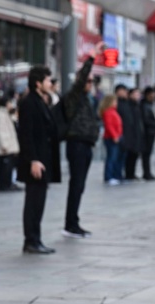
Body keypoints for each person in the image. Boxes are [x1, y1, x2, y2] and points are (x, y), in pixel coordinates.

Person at [61, 42, 103, 239]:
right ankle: (70, 224)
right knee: (76, 184)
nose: (90, 84)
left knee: (80, 185)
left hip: (86, 145)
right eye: (88, 81)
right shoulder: (74, 96)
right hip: (76, 144)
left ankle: (74, 221)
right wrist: (92, 57)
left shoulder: (86, 99)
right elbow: (81, 81)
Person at [17, 65, 60, 255]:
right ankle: (31, 240)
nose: (51, 83)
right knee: (33, 201)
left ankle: (36, 239)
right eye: (48, 80)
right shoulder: (29, 103)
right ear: (38, 83)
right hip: (35, 162)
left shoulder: (41, 101)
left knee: (39, 201)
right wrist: (33, 159)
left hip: (43, 159)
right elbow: (26, 135)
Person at [0, 97, 20, 192]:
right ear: (6, 103)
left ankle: (7, 183)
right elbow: (0, 131)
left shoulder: (6, 114)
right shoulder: (1, 115)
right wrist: (4, 145)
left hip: (9, 145)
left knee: (8, 167)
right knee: (5, 167)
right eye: (10, 103)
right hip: (6, 146)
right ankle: (4, 185)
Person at [100, 94, 123, 186]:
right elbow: (109, 126)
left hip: (116, 136)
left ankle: (113, 175)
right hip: (111, 138)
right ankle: (108, 176)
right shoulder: (108, 112)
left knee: (114, 157)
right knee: (111, 157)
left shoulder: (113, 111)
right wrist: (114, 136)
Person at [123, 88, 144, 182]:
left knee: (135, 155)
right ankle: (128, 174)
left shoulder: (137, 106)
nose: (138, 96)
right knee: (130, 156)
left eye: (138, 94)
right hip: (130, 135)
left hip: (137, 134)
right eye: (136, 94)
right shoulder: (128, 105)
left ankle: (132, 173)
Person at [140, 86, 155, 181]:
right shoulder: (144, 105)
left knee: (148, 154)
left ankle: (147, 172)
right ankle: (146, 173)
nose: (154, 96)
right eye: (152, 94)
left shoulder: (151, 104)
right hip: (147, 133)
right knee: (146, 154)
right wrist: (154, 126)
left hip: (151, 132)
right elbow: (146, 120)